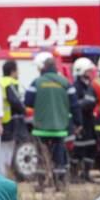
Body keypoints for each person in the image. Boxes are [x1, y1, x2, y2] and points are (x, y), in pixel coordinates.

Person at [24, 54, 81, 189]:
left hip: (41, 127)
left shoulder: (37, 82)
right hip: (59, 128)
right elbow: (75, 105)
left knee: (41, 155)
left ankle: (41, 183)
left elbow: (28, 102)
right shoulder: (66, 83)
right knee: (59, 155)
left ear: (44, 68)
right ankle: (59, 183)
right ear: (56, 68)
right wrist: (78, 123)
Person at [0, 59, 27, 176]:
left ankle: (1, 171)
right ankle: (5, 172)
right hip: (11, 120)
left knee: (2, 149)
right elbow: (14, 100)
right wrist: (24, 110)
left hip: (2, 119)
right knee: (9, 148)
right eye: (17, 70)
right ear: (12, 71)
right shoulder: (11, 82)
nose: (18, 73)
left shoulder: (0, 82)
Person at [70, 57, 98, 183]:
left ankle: (86, 173)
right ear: (81, 71)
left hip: (89, 122)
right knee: (78, 150)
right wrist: (87, 102)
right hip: (80, 122)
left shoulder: (89, 86)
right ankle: (74, 174)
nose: (90, 73)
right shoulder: (76, 87)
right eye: (88, 71)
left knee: (91, 148)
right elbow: (75, 105)